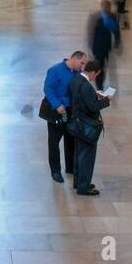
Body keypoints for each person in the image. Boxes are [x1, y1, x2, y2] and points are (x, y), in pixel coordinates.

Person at [40, 51, 86, 182]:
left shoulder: (77, 73)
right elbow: (48, 89)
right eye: (81, 63)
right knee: (54, 142)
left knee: (70, 139)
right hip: (56, 111)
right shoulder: (55, 70)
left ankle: (70, 167)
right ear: (74, 59)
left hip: (70, 111)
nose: (83, 67)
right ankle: (55, 171)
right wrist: (57, 104)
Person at [68, 61, 111, 196]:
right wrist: (106, 100)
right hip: (86, 126)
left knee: (78, 154)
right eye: (95, 75)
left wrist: (94, 95)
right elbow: (92, 107)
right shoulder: (86, 86)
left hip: (76, 122)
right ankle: (83, 187)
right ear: (92, 72)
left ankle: (79, 182)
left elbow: (81, 99)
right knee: (86, 156)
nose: (94, 78)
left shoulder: (76, 79)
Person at [89, 4, 120, 91]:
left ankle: (102, 82)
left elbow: (116, 29)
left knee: (106, 67)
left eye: (108, 7)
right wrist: (90, 46)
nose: (107, 9)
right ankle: (99, 85)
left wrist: (117, 41)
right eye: (105, 7)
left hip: (107, 46)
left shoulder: (112, 16)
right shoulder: (96, 17)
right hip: (98, 47)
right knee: (100, 67)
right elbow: (91, 32)